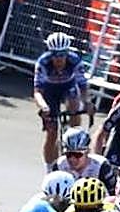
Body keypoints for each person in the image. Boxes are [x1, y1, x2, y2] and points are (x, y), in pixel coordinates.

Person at [33, 32, 86, 165]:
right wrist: (43, 106)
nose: (59, 59)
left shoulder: (75, 60)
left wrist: (85, 103)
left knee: (74, 104)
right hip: (49, 91)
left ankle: (75, 135)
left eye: (63, 54)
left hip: (68, 86)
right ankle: (50, 167)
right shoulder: (42, 63)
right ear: (50, 53)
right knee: (52, 133)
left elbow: (83, 86)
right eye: (55, 55)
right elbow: (37, 92)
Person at [50, 126, 116, 191]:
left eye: (77, 155)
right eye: (68, 154)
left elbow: (113, 194)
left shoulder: (101, 166)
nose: (72, 159)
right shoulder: (59, 165)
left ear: (87, 152)